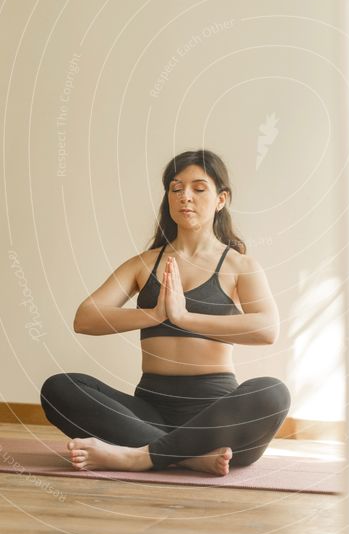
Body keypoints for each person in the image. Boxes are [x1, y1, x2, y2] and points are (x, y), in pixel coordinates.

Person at [40, 149, 291, 476]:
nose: (185, 196)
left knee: (272, 393)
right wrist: (154, 314)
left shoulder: (239, 266)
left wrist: (184, 318)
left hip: (215, 418)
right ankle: (185, 457)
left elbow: (267, 329)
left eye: (199, 188)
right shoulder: (145, 263)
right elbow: (85, 318)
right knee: (59, 388)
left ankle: (137, 454)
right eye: (176, 188)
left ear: (221, 199)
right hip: (149, 410)